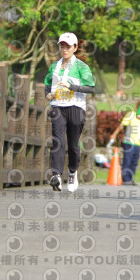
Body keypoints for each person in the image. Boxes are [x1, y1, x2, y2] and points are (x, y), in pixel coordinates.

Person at [45, 32, 95, 193]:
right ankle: (57, 176)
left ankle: (72, 172)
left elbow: (90, 88)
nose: (64, 49)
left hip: (76, 107)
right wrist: (48, 93)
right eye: (62, 46)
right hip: (57, 106)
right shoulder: (54, 66)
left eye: (68, 46)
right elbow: (48, 83)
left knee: (73, 145)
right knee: (58, 141)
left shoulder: (82, 67)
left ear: (75, 47)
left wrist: (72, 86)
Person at [108, 101, 140, 185]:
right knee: (127, 160)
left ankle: (130, 179)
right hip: (129, 142)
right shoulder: (131, 114)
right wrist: (114, 135)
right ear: (137, 108)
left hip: (138, 143)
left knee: (134, 162)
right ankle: (125, 179)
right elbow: (121, 125)